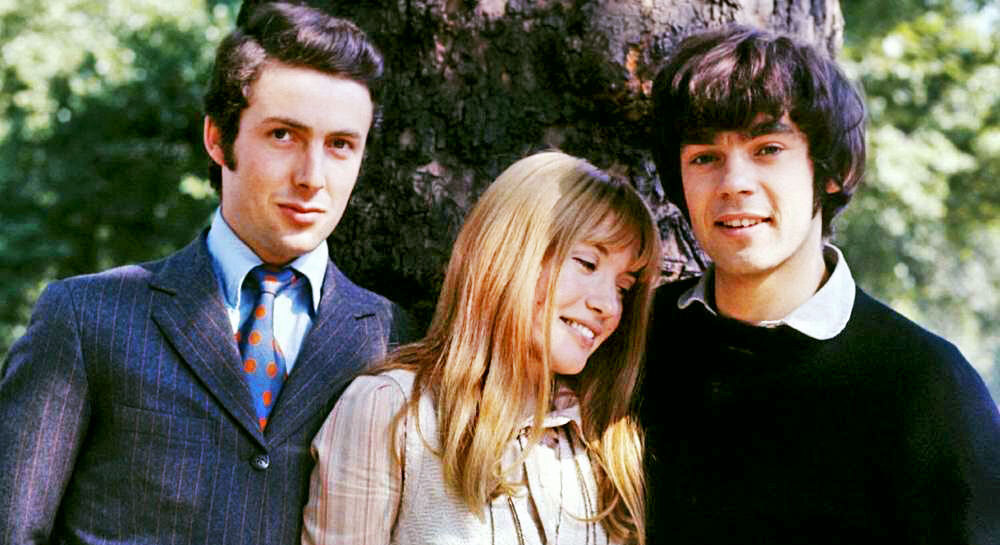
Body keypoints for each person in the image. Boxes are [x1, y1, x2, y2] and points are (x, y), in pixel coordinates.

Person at [0, 3, 413, 544]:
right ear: (218, 138)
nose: (312, 176)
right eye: (283, 135)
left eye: (340, 144)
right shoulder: (86, 318)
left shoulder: (393, 338)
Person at [642, 25, 1000, 545]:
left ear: (832, 170)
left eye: (768, 149)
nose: (733, 183)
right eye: (704, 157)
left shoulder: (925, 386)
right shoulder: (636, 344)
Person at [301, 151, 661, 545]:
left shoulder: (605, 441)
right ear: (510, 252)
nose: (609, 305)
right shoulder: (390, 411)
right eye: (587, 264)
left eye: (623, 287)